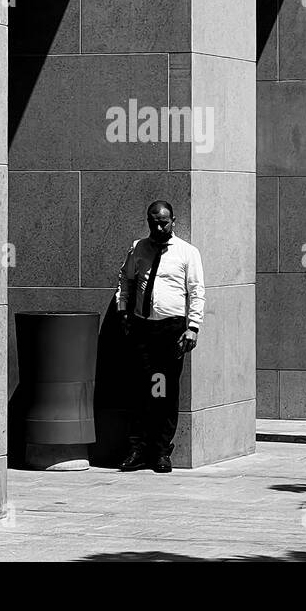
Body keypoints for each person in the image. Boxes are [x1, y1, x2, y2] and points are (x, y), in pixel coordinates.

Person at [113, 200, 205, 473]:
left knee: (165, 390)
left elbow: (197, 291)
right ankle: (138, 449)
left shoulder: (187, 252)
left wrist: (193, 327)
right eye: (153, 222)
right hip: (143, 328)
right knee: (141, 389)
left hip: (171, 330)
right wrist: (123, 309)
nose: (158, 226)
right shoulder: (138, 247)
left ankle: (161, 451)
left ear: (173, 221)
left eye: (163, 222)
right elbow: (126, 279)